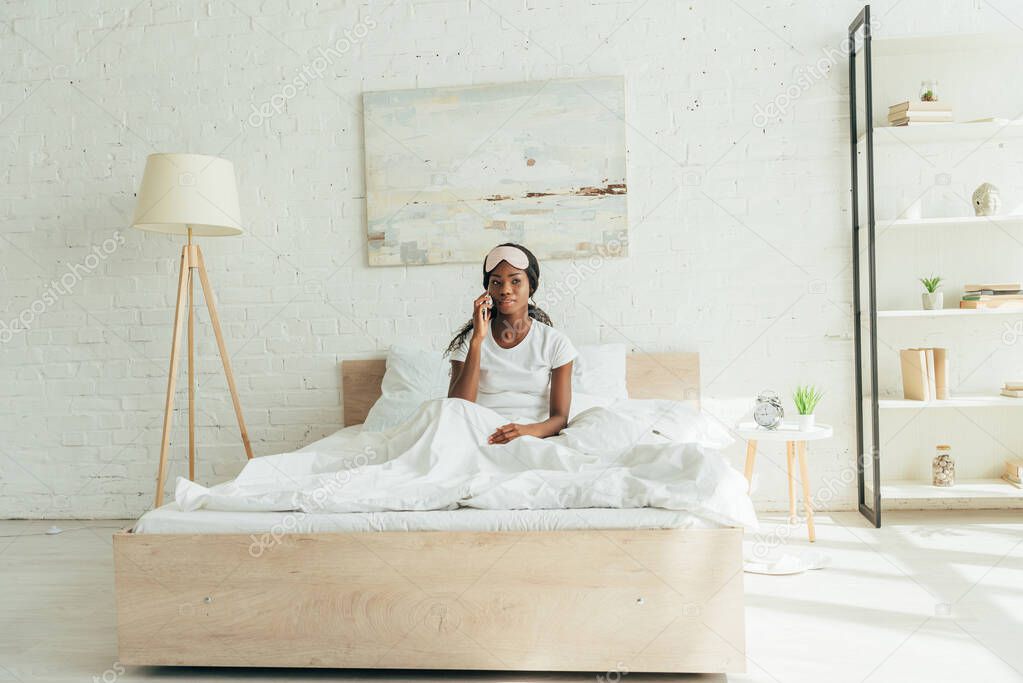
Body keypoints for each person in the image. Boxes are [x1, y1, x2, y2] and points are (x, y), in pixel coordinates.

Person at [445, 243, 578, 445]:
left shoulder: (555, 343)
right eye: (496, 283)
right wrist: (477, 341)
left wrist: (524, 431)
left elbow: (560, 419)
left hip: (530, 432)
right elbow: (457, 407)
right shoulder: (470, 341)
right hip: (479, 430)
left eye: (515, 281)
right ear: (487, 290)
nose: (505, 290)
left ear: (531, 285)